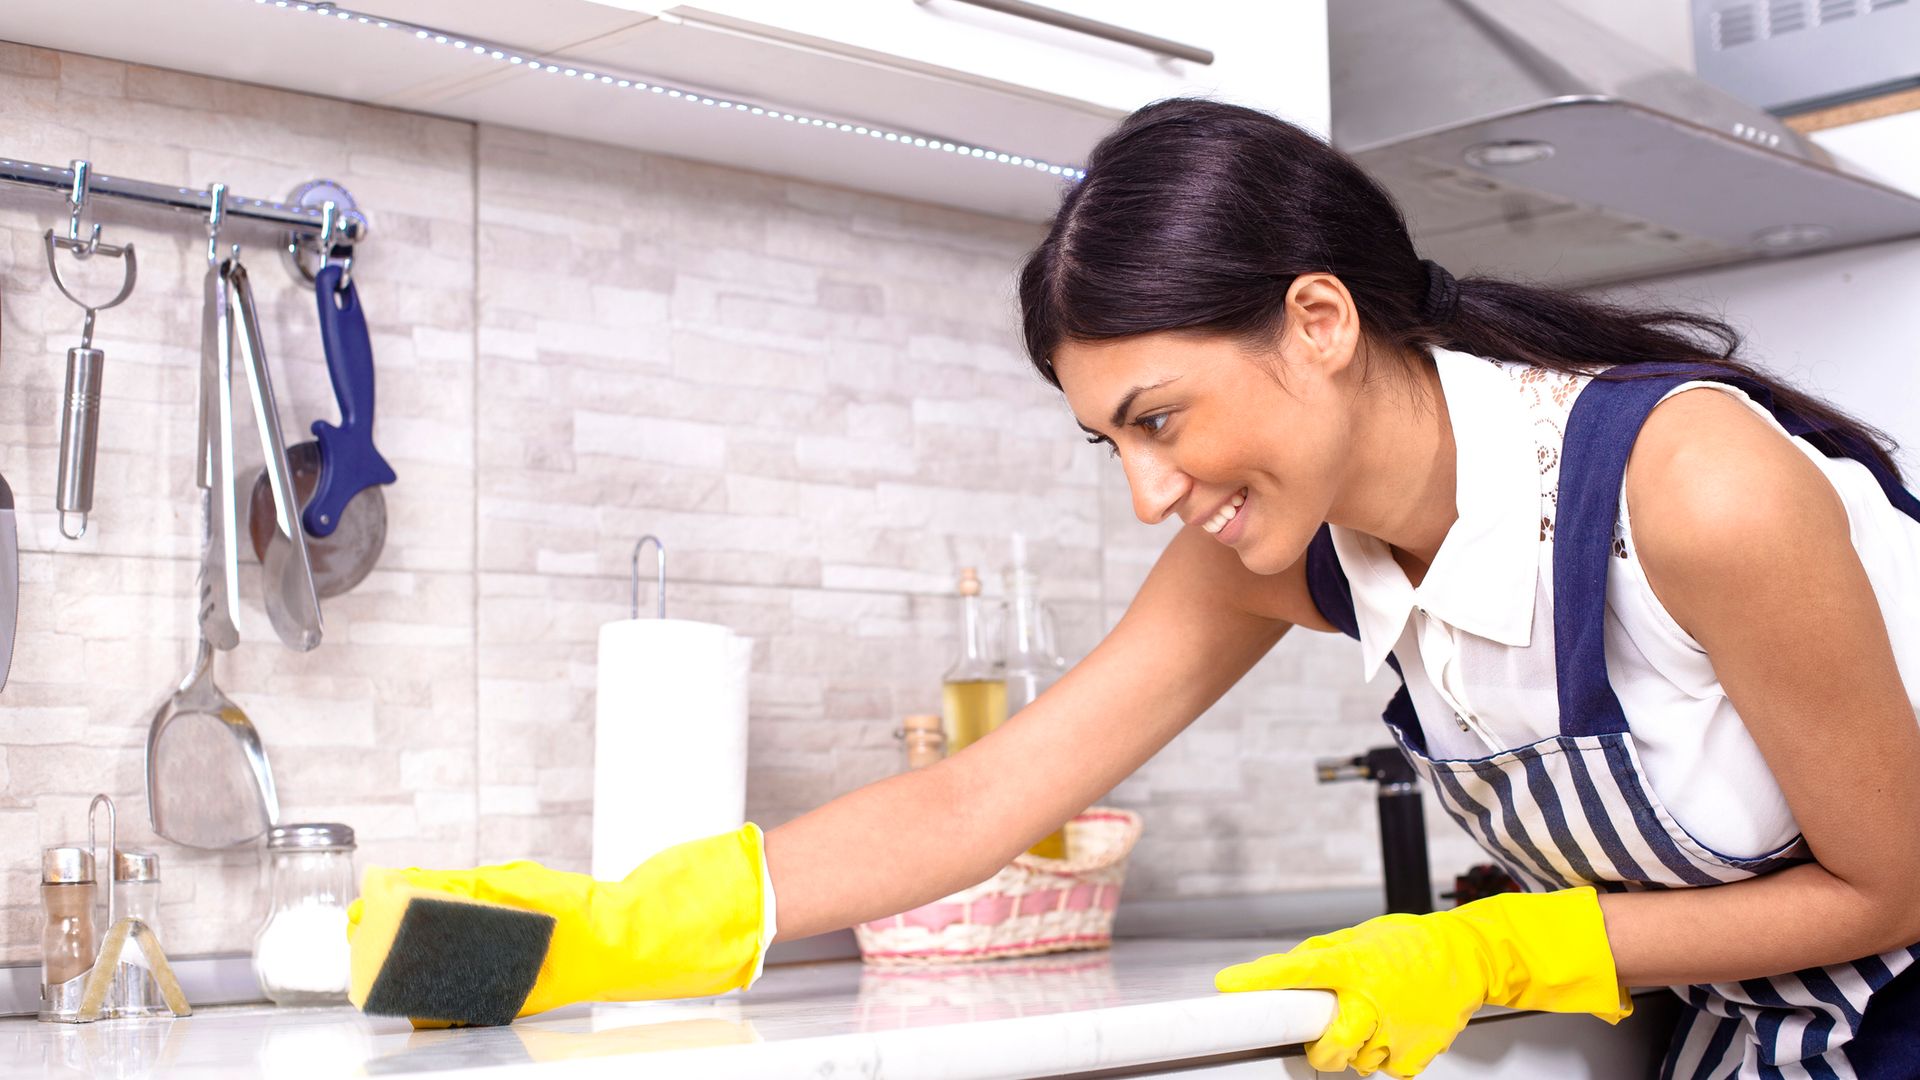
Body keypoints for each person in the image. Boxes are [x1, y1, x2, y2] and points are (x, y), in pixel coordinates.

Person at [347, 99, 1920, 1077]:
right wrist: (632, 925)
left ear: (1317, 321)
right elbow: (989, 796)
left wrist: (1504, 950)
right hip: (1764, 1029)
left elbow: (1893, 888)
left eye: (1159, 419)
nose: (1150, 490)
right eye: (1109, 438)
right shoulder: (1277, 553)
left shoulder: (1690, 489)